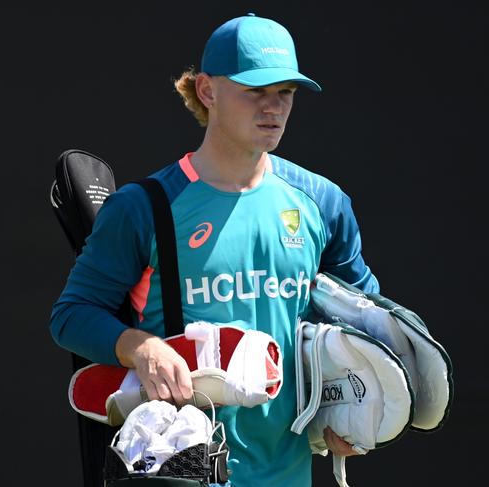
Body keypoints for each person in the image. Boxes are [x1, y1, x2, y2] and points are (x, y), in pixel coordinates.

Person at [51, 13, 379, 486]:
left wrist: (349, 415)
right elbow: (72, 314)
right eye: (254, 91)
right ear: (207, 91)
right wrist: (141, 348)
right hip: (178, 469)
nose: (273, 108)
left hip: (287, 473)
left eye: (284, 92)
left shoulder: (322, 203)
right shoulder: (145, 206)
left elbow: (361, 324)